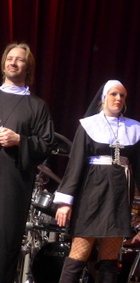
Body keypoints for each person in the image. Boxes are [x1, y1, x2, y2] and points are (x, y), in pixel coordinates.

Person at [53, 80, 140, 283]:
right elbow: (75, 164)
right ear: (103, 98)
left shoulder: (133, 128)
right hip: (91, 196)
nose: (118, 98)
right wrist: (65, 202)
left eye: (122, 95)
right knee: (78, 255)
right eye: (113, 94)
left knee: (110, 260)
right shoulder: (88, 125)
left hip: (118, 197)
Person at [0, 42, 54, 282]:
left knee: (5, 245)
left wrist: (19, 140)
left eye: (19, 59)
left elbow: (47, 144)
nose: (13, 62)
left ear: (28, 67)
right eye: (9, 58)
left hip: (12, 186)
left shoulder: (37, 106)